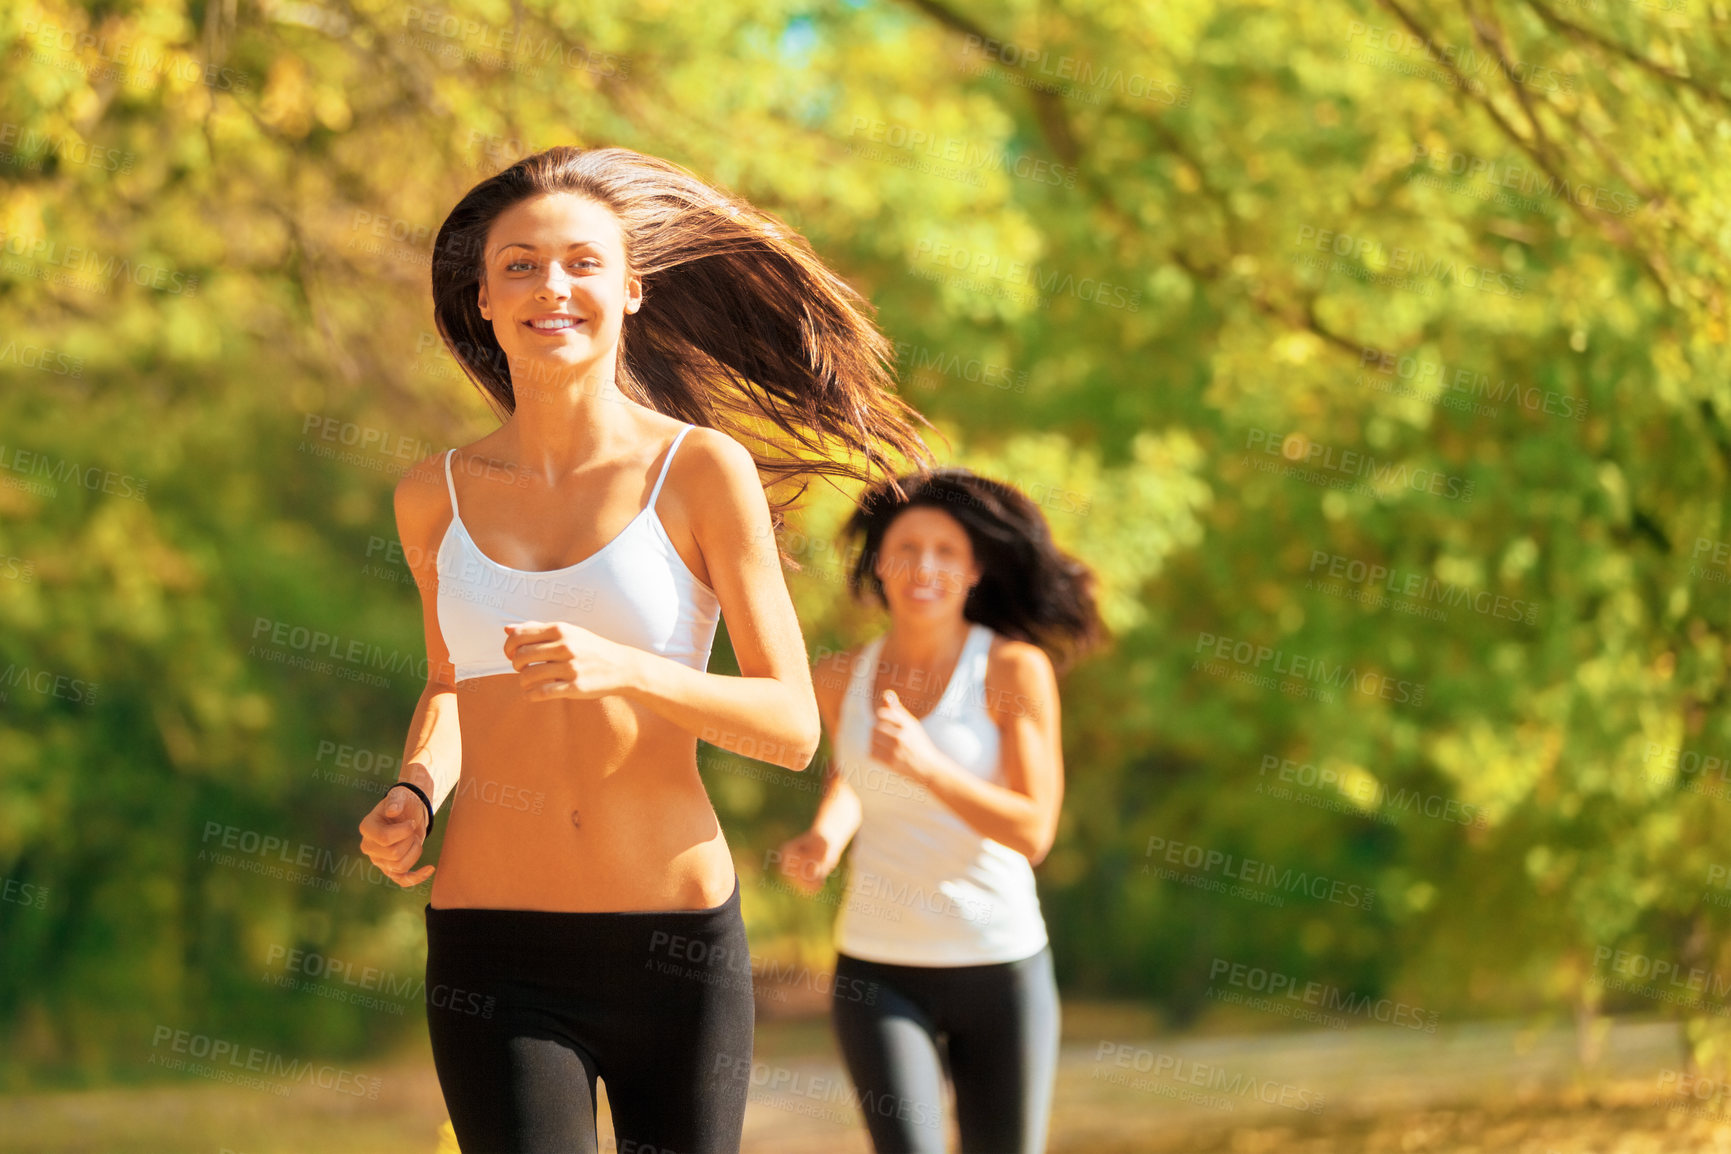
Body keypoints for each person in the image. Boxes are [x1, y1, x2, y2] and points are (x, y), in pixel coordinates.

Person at [356, 145, 928, 1154]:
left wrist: (627, 668)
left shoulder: (700, 471)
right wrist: (414, 788)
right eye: (520, 264)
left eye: (580, 261)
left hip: (674, 942)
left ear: (630, 290)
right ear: (483, 299)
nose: (552, 286)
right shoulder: (428, 494)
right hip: (492, 941)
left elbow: (793, 725)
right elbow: (453, 683)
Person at [776, 469, 1102, 1154]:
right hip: (877, 968)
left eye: (946, 551)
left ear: (976, 568)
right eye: (906, 548)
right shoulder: (839, 677)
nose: (924, 567)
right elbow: (853, 778)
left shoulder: (1012, 671)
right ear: (878, 563)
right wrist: (823, 838)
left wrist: (928, 766)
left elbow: (1033, 830)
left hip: (998, 963)